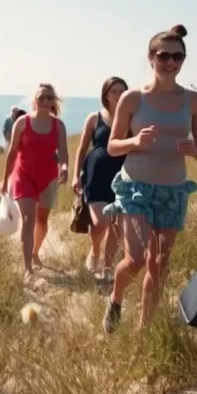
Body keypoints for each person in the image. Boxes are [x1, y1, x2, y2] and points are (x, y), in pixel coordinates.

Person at [103, 24, 197, 333]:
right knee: (135, 260)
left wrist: (194, 150)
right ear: (150, 58)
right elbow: (112, 146)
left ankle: (143, 332)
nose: (172, 62)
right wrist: (135, 143)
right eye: (165, 56)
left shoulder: (195, 101)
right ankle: (116, 299)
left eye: (179, 57)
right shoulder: (133, 98)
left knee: (158, 264)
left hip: (174, 190)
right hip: (135, 186)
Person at [1, 83, 69, 279]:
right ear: (34, 101)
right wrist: (5, 180)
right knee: (29, 220)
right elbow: (12, 152)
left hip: (48, 178)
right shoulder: (22, 122)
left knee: (42, 219)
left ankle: (35, 252)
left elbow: (63, 153)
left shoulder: (58, 125)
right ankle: (27, 267)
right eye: (41, 97)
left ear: (54, 101)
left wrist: (64, 168)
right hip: (24, 176)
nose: (45, 101)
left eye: (49, 98)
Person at [71, 77, 129, 281]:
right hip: (95, 174)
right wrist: (75, 174)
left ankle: (107, 265)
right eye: (114, 91)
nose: (119, 95)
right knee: (101, 222)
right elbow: (82, 147)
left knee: (117, 223)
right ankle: (94, 250)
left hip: (123, 176)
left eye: (122, 91)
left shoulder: (131, 118)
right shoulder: (94, 118)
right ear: (106, 94)